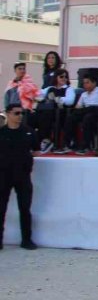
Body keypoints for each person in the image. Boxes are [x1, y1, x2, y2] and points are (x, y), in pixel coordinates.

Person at [0, 103, 37, 250]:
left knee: (25, 208)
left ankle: (26, 240)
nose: (20, 116)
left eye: (22, 113)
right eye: (16, 113)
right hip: (3, 175)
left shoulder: (28, 132)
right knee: (1, 208)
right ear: (8, 114)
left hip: (23, 175)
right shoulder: (1, 133)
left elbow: (36, 150)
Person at [57, 75, 98, 154]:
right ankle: (67, 145)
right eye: (84, 83)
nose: (85, 85)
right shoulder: (84, 94)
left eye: (87, 83)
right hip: (86, 111)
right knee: (70, 117)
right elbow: (78, 106)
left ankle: (85, 146)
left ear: (94, 83)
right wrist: (77, 110)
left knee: (89, 113)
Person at [35, 69, 76, 153]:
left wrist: (58, 99)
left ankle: (47, 140)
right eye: (61, 76)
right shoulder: (50, 88)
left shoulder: (68, 89)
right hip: (48, 111)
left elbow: (70, 100)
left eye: (66, 77)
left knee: (47, 114)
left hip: (62, 113)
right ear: (56, 77)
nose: (64, 78)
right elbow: (37, 94)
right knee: (33, 116)